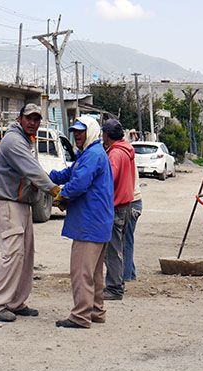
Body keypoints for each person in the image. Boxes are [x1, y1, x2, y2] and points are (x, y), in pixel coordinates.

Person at [0, 103, 61, 322]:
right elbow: (32, 170)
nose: (33, 123)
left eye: (37, 119)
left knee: (25, 255)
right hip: (9, 204)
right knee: (13, 254)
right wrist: (56, 192)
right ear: (20, 119)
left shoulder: (27, 140)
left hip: (21, 203)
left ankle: (16, 302)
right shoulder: (13, 141)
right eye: (29, 118)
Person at [49, 115, 114, 329]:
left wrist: (61, 195)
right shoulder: (90, 153)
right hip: (98, 222)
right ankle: (96, 311)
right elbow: (71, 173)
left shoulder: (92, 154)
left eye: (80, 131)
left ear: (91, 132)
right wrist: (49, 176)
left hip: (89, 223)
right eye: (75, 131)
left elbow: (78, 183)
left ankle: (80, 316)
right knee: (94, 272)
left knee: (81, 271)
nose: (77, 135)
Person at [101, 119, 135, 300]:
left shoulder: (115, 154)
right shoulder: (127, 150)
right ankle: (118, 283)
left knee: (112, 250)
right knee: (118, 247)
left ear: (106, 135)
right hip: (126, 204)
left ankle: (114, 288)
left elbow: (108, 180)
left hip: (115, 206)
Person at [123, 165, 142, 281]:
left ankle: (125, 276)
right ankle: (130, 273)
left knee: (125, 242)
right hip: (134, 202)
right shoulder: (127, 153)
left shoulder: (119, 154)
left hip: (131, 203)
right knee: (126, 240)